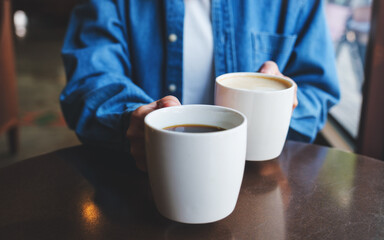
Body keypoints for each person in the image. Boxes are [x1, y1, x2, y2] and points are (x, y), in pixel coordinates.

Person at [60, 0, 340, 171]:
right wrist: (129, 120)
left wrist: (281, 109)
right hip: (139, 185)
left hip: (259, 183)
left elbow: (317, 88)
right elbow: (88, 80)